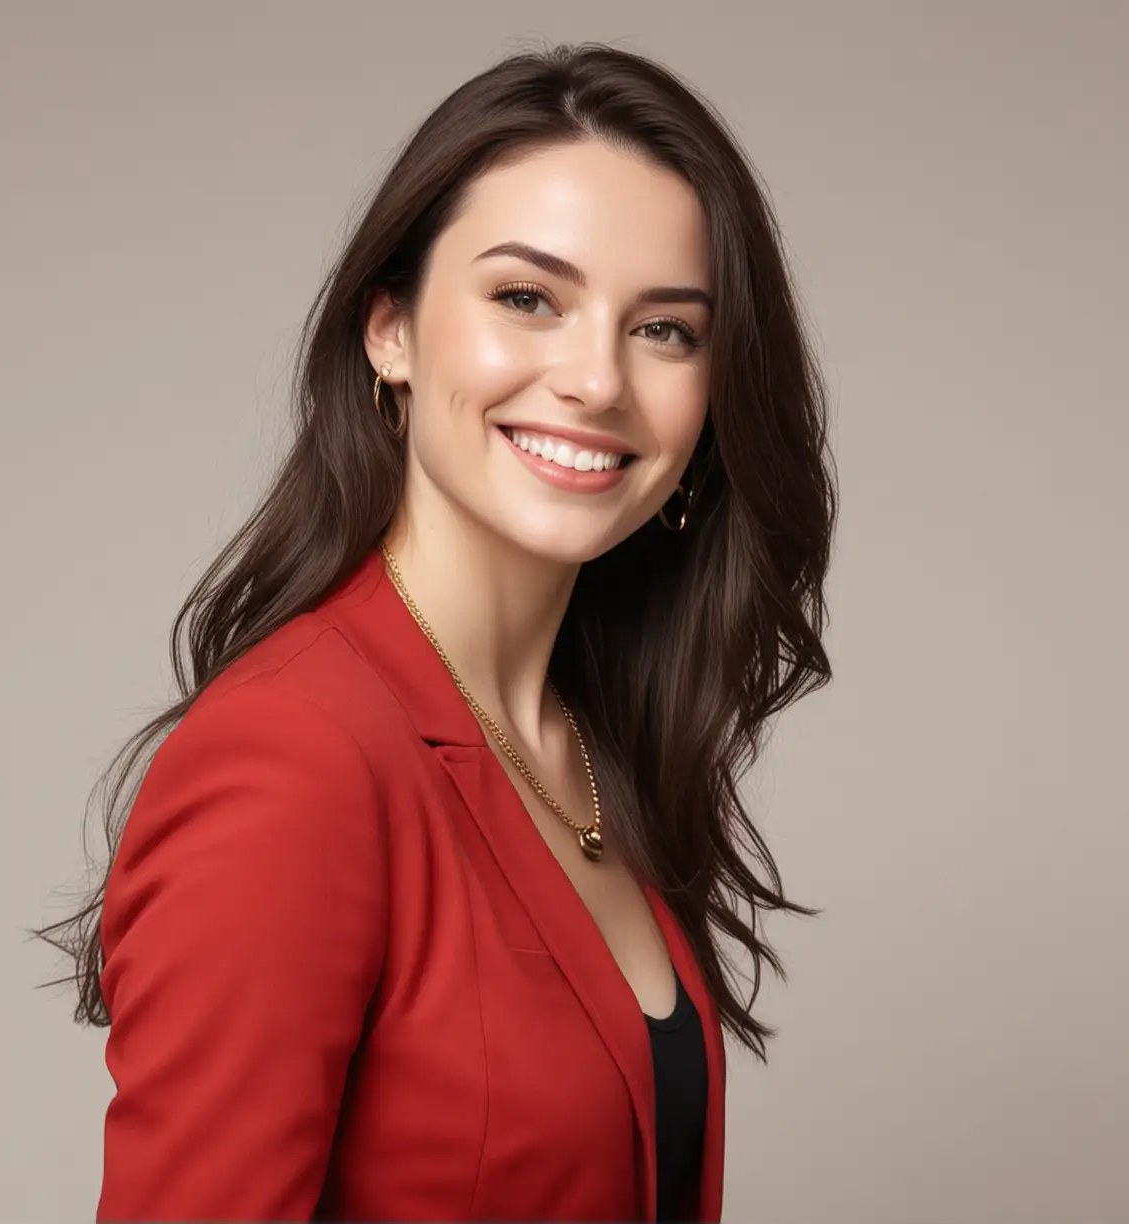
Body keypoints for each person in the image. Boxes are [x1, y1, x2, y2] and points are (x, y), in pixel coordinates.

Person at [41, 41, 835, 1222]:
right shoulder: (294, 759)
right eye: (528, 299)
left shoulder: (594, 747)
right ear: (390, 332)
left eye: (664, 330)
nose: (595, 381)